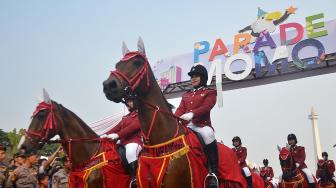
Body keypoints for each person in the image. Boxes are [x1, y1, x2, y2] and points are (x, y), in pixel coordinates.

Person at [174, 64, 218, 188]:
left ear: (203, 78)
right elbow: (179, 110)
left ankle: (213, 173)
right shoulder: (186, 95)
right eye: (192, 77)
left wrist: (192, 114)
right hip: (186, 126)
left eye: (196, 76)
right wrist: (173, 118)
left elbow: (207, 107)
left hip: (201, 125)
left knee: (208, 135)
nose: (193, 79)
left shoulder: (210, 92)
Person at [101, 97, 142, 188]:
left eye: (130, 101)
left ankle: (135, 179)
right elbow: (116, 127)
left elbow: (133, 127)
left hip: (134, 141)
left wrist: (118, 135)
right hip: (123, 142)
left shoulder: (140, 114)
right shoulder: (125, 117)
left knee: (130, 152)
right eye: (127, 102)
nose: (128, 103)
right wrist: (104, 134)